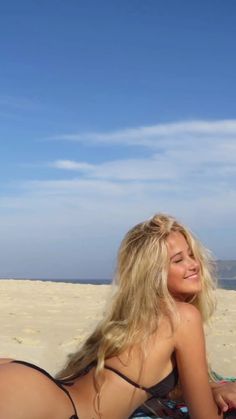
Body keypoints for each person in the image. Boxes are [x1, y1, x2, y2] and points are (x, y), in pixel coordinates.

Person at [0, 213, 235, 419]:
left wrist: (212, 388)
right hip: (49, 403)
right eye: (178, 260)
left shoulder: (129, 323)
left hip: (30, 383)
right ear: (152, 273)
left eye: (192, 255)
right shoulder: (183, 317)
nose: (194, 265)